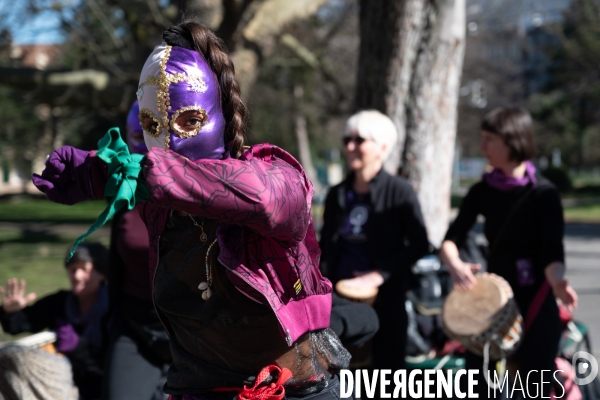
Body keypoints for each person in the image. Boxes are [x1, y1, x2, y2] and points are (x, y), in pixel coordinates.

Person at [31, 21, 351, 400]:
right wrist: (97, 173)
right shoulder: (159, 207)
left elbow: (269, 199)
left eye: (189, 121)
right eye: (152, 125)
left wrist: (161, 175)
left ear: (219, 113)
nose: (167, 142)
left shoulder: (276, 175)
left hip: (293, 392)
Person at [438, 106, 578, 398]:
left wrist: (558, 283)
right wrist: (454, 264)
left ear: (512, 140)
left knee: (535, 387)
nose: (482, 147)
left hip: (536, 299)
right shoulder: (481, 191)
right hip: (492, 302)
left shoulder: (544, 193)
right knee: (478, 385)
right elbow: (451, 239)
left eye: (489, 139)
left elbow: (553, 253)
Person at [319, 110, 430, 371]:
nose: (350, 146)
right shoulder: (337, 194)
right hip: (338, 303)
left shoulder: (399, 191)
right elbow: (325, 248)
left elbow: (420, 244)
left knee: (387, 380)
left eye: (359, 140)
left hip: (386, 303)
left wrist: (379, 275)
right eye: (347, 139)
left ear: (382, 147)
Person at [102, 100, 170, 400]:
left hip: (198, 332)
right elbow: (118, 259)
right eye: (140, 136)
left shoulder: (204, 190)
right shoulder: (124, 187)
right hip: (136, 325)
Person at [0, 242, 109, 400]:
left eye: (84, 269)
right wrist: (10, 311)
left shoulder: (115, 309)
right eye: (72, 269)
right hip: (61, 385)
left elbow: (118, 361)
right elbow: (21, 323)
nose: (77, 276)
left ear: (102, 273)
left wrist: (79, 347)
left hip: (104, 387)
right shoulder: (60, 303)